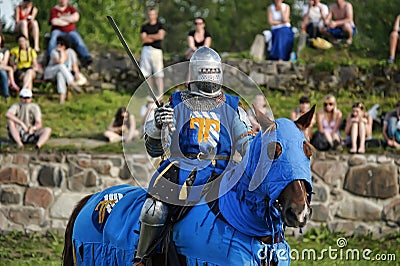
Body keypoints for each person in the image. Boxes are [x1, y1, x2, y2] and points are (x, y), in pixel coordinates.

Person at [133, 47, 254, 264]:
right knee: (155, 209)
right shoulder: (177, 103)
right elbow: (155, 149)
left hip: (223, 170)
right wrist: (158, 126)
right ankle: (143, 256)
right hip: (183, 168)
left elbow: (246, 144)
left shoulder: (232, 107)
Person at [48, 0, 92, 67]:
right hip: (58, 31)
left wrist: (61, 18)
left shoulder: (71, 9)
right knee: (53, 39)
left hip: (70, 31)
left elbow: (76, 18)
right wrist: (69, 20)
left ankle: (86, 56)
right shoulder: (54, 10)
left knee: (78, 39)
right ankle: (50, 56)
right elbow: (54, 22)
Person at [44, 35, 82, 104]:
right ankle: (72, 84)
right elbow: (61, 62)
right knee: (60, 66)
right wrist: (61, 52)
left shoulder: (71, 52)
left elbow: (74, 64)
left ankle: (62, 99)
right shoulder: (54, 52)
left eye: (61, 44)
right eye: (58, 43)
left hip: (64, 73)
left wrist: (76, 73)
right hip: (51, 72)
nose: (59, 45)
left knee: (60, 74)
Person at [140, 8, 166, 96]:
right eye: (150, 14)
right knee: (147, 73)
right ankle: (150, 94)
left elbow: (160, 36)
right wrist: (154, 36)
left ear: (156, 15)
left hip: (156, 50)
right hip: (146, 50)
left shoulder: (160, 25)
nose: (151, 16)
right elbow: (144, 39)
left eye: (153, 14)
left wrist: (149, 36)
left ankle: (160, 93)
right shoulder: (144, 27)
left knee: (158, 73)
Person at [0, 33, 20, 100]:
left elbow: (4, 63)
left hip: (2, 67)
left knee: (3, 73)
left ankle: (6, 94)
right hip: (2, 67)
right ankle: (12, 83)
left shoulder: (5, 50)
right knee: (8, 70)